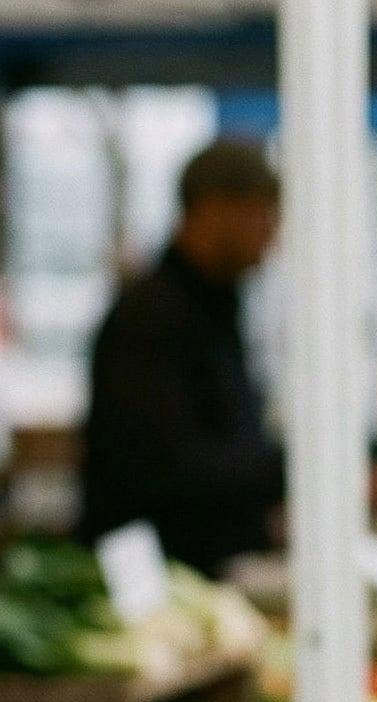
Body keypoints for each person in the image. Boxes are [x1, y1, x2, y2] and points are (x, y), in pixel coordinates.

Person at [80, 137, 285, 576]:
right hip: (161, 580)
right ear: (213, 210)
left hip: (204, 570)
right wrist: (288, 473)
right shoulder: (150, 318)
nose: (271, 236)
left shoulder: (212, 307)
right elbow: (170, 468)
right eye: (261, 215)